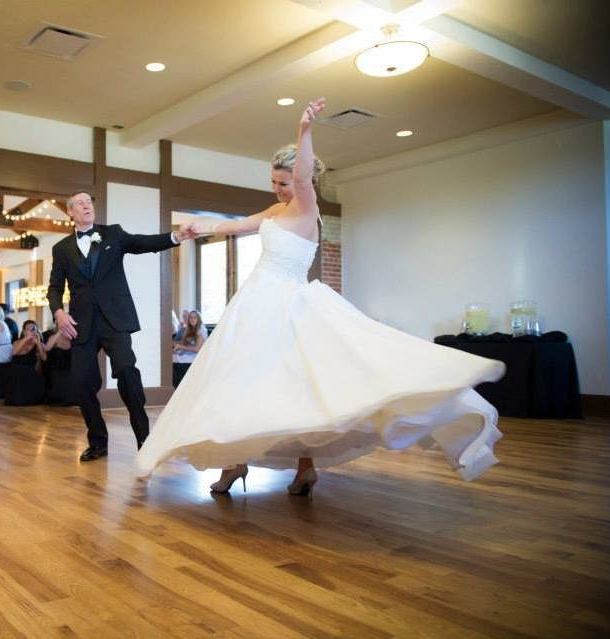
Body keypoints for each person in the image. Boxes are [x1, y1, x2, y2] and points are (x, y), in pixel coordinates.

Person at [136, 98, 505, 495]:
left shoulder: (307, 206)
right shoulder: (275, 212)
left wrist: (304, 130)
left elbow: (304, 177)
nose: (278, 188)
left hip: (291, 305)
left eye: (284, 182)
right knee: (236, 384)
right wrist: (198, 226)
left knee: (301, 388)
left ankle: (305, 467)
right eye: (274, 182)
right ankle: (233, 464)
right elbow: (236, 227)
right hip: (254, 305)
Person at [48, 190, 199, 462]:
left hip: (115, 319)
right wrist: (58, 312)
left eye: (88, 201)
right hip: (81, 324)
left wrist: (176, 236)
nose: (86, 206)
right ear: (70, 212)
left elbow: (143, 243)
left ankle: (144, 438)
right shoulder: (61, 249)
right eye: (79, 203)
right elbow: (55, 287)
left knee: (127, 372)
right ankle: (98, 441)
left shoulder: (113, 234)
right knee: (81, 383)